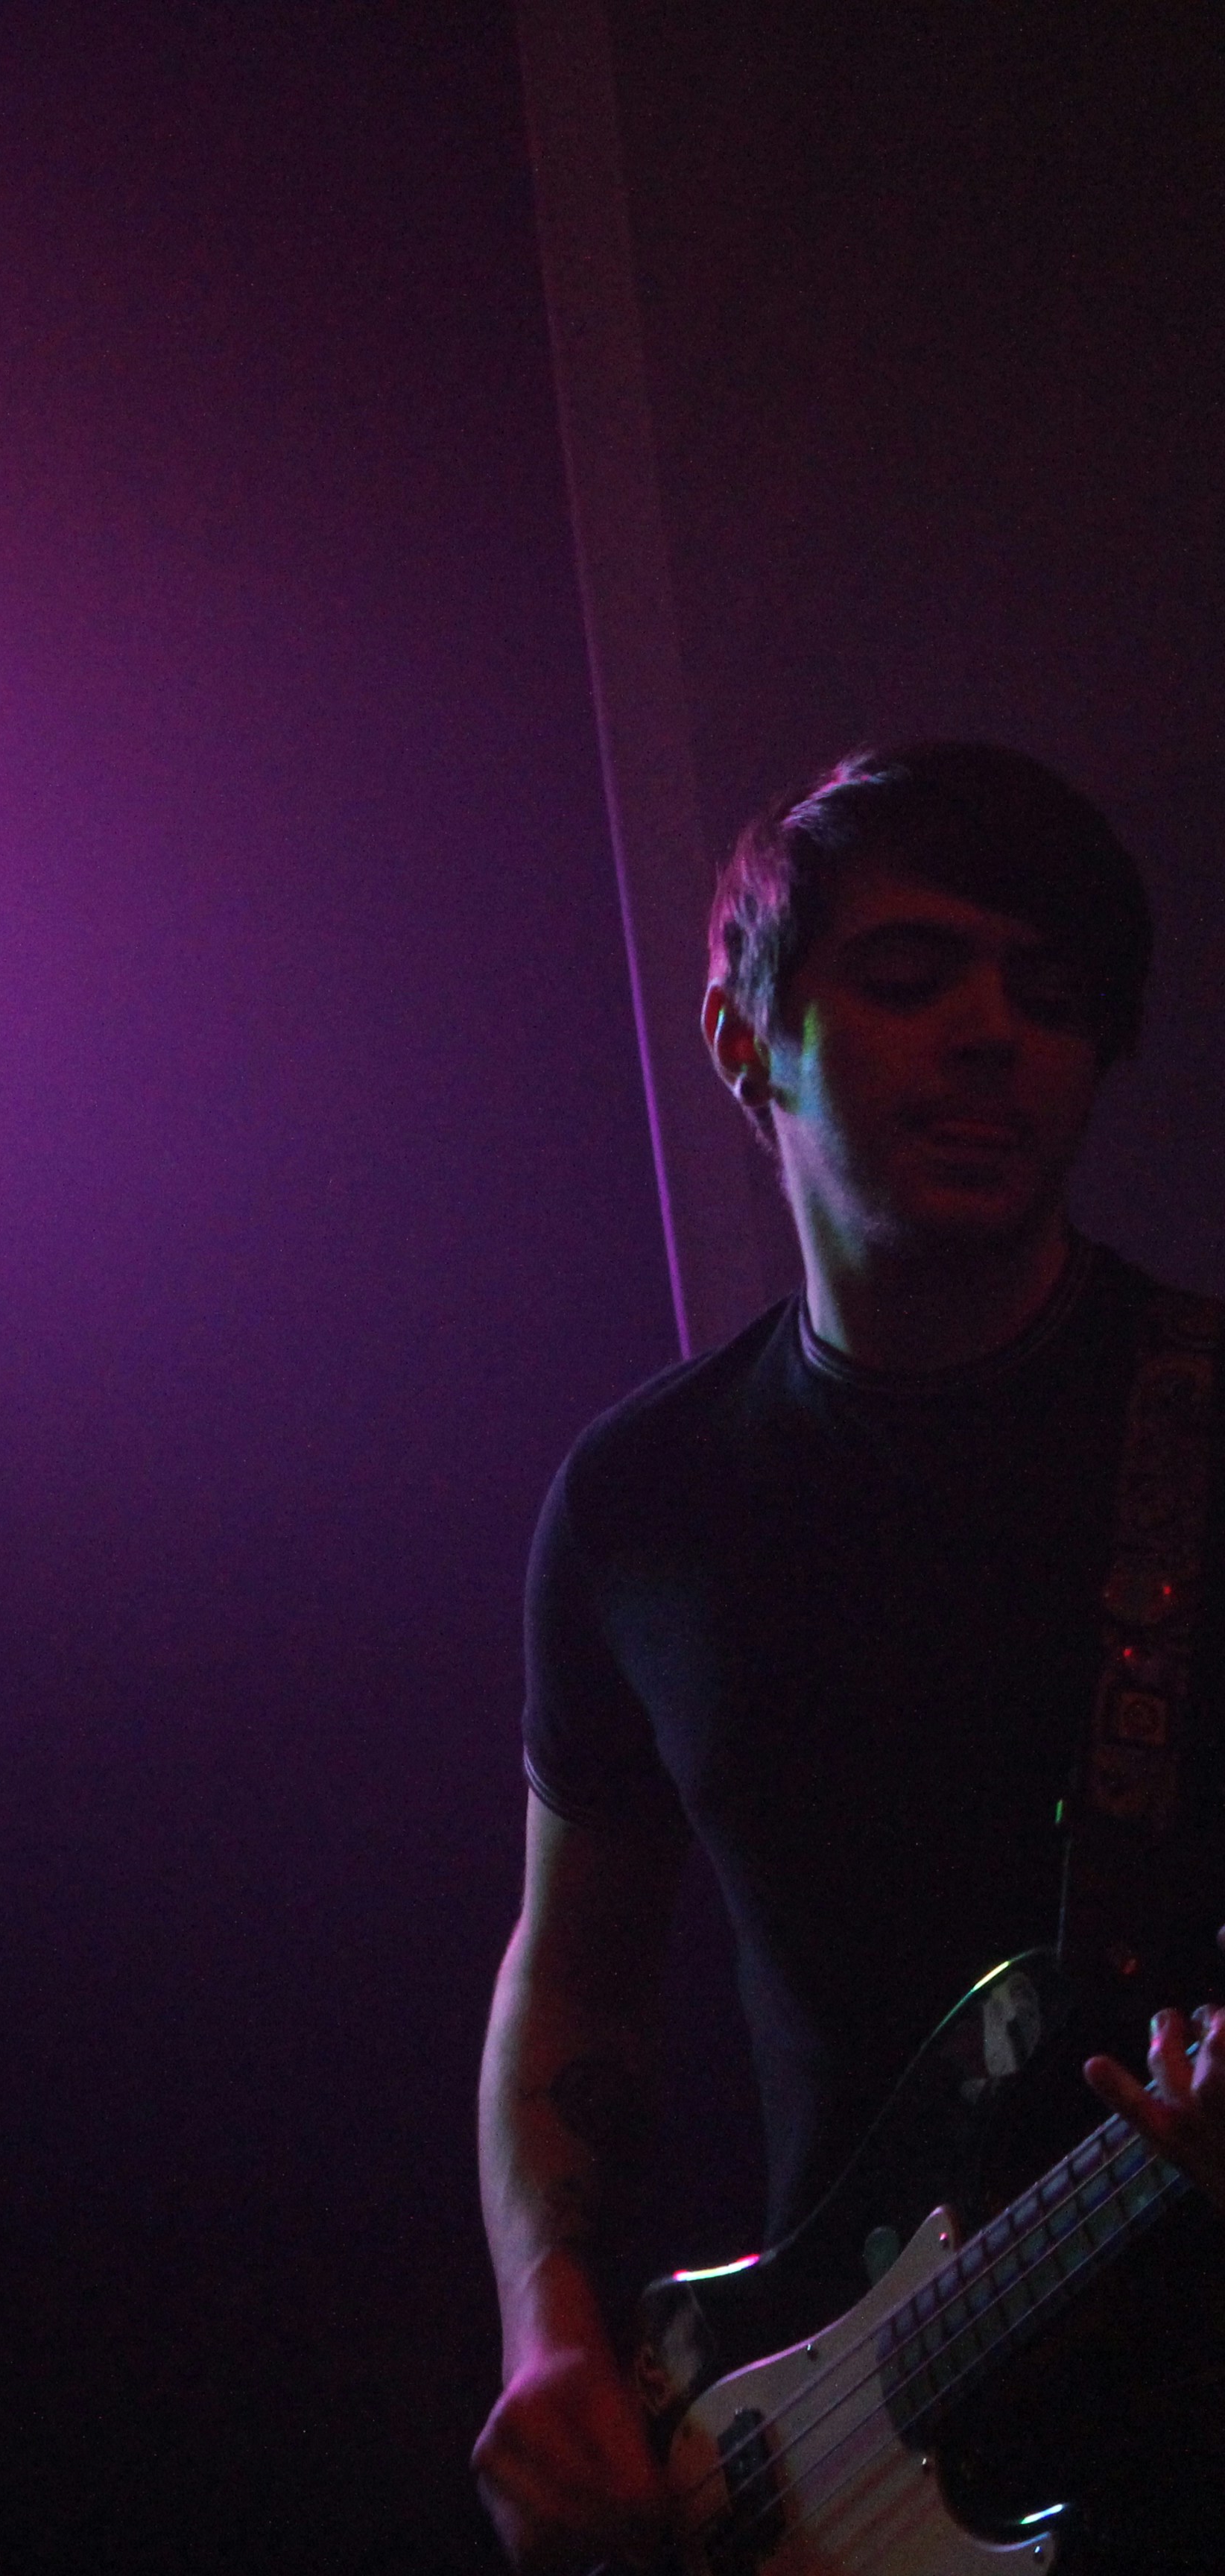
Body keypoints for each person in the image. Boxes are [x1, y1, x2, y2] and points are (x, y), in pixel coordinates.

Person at [469, 742, 1225, 2575]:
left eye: (1051, 999)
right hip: (824, 2451)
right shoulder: (640, 1502)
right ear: (746, 1035)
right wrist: (555, 2335)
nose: (991, 1032)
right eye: (910, 976)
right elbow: (571, 1985)